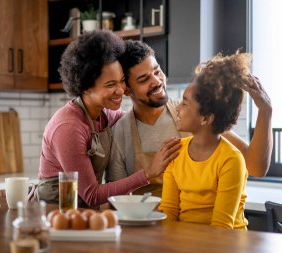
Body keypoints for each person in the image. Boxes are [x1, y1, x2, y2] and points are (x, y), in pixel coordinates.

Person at [107, 40, 273, 196]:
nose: (157, 81)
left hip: (195, 224)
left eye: (157, 71)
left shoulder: (191, 112)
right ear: (127, 90)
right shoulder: (121, 131)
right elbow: (116, 197)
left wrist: (265, 111)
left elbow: (256, 167)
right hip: (146, 224)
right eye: (144, 79)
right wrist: (149, 172)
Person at [37, 31, 177, 208]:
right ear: (85, 87)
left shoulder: (105, 116)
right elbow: (92, 195)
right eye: (111, 85)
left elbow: (135, 118)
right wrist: (148, 173)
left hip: (82, 210)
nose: (121, 90)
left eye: (122, 81)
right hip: (54, 210)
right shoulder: (68, 127)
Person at [158, 53, 251, 229]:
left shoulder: (231, 160)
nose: (177, 108)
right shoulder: (176, 151)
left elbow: (221, 226)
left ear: (205, 118)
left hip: (225, 244)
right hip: (185, 243)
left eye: (185, 104)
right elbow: (169, 212)